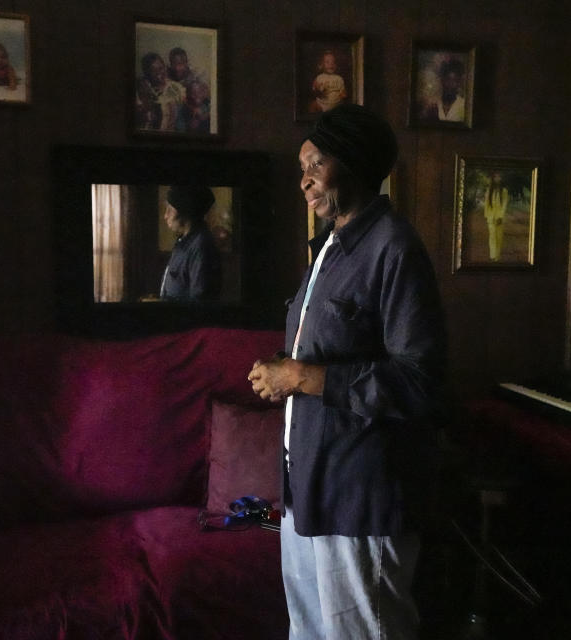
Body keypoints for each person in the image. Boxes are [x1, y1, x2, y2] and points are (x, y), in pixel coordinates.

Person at [247, 104, 446, 640]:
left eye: (315, 164)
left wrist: (300, 377)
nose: (304, 180)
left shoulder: (394, 248)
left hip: (358, 495)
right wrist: (286, 371)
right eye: (300, 169)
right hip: (307, 488)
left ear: (354, 163)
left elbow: (420, 382)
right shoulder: (330, 247)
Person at [158, 185, 221, 301]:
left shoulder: (201, 246)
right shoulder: (183, 241)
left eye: (170, 210)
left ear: (185, 212)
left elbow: (199, 299)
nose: (165, 216)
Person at [136, 52, 185, 131]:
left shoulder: (176, 88)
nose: (159, 73)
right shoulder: (141, 90)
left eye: (161, 68)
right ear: (147, 73)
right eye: (153, 70)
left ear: (165, 67)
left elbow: (183, 115)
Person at [483, 171, 510, 261]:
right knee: (492, 235)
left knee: (499, 237)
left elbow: (505, 205)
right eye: (495, 177)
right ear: (493, 179)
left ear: (501, 179)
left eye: (499, 177)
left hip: (500, 217)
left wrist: (501, 217)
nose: (497, 179)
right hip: (490, 217)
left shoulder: (504, 191)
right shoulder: (489, 190)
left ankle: (497, 256)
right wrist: (486, 215)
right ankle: (492, 255)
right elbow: (486, 203)